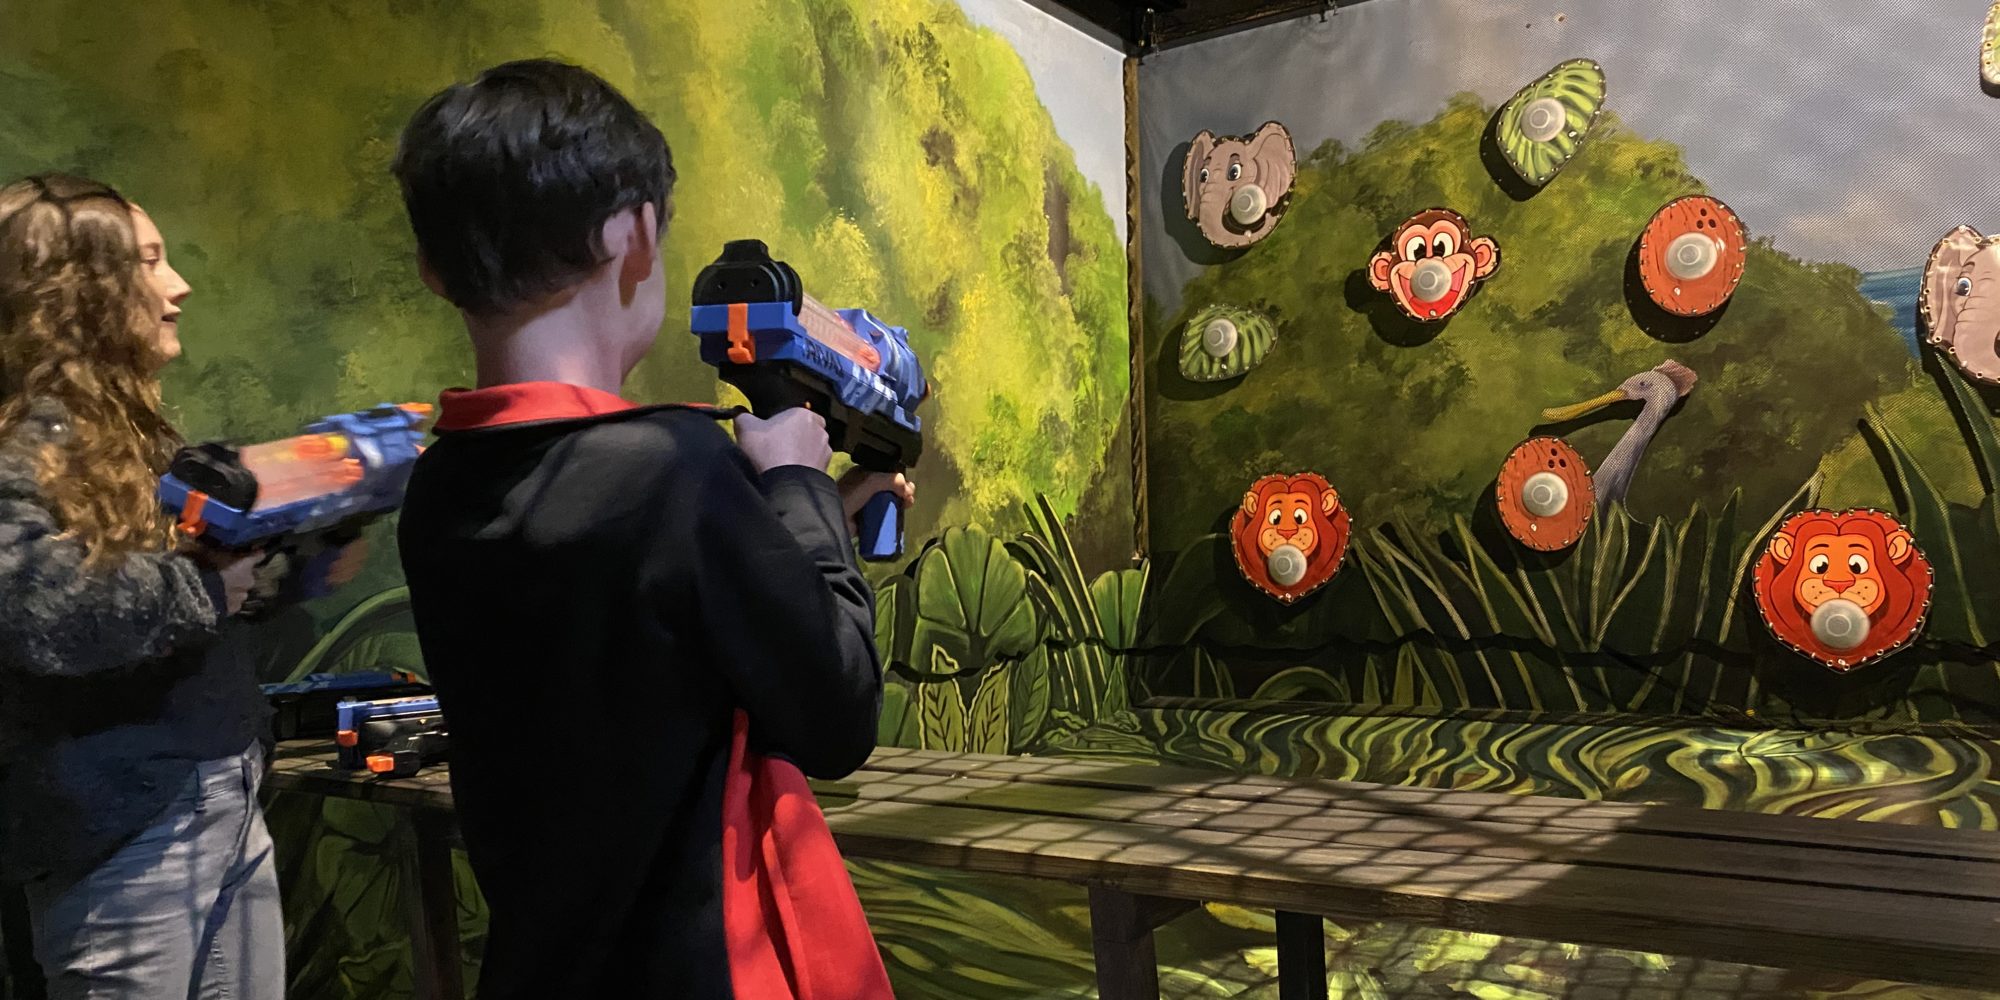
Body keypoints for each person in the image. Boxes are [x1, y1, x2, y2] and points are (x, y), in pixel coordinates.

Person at [392, 60, 907, 999]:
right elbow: (837, 717)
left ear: (432, 267)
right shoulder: (670, 468)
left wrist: (811, 509)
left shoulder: (443, 483)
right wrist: (797, 479)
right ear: (632, 233)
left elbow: (638, 640)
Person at [0, 174, 358, 999]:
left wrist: (287, 571)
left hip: (217, 802)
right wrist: (204, 587)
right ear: (77, 292)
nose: (179, 284)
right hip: (124, 836)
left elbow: (183, 601)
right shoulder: (25, 443)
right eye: (150, 261)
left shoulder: (124, 432)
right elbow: (34, 608)